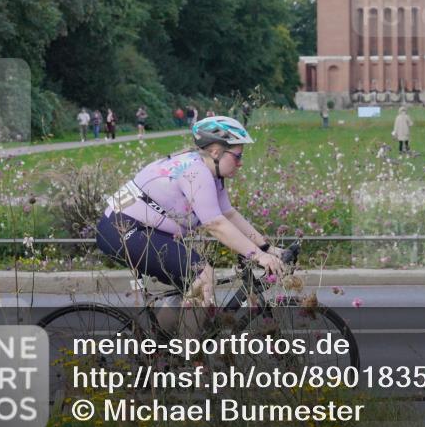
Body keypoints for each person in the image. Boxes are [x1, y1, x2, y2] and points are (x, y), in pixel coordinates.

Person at [95, 116, 286, 306]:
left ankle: (166, 336)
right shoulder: (196, 171)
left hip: (146, 230)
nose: (240, 163)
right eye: (237, 156)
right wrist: (259, 257)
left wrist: (267, 248)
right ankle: (187, 337)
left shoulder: (212, 173)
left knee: (191, 293)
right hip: (122, 229)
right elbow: (215, 224)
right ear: (216, 151)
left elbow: (228, 214)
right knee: (202, 275)